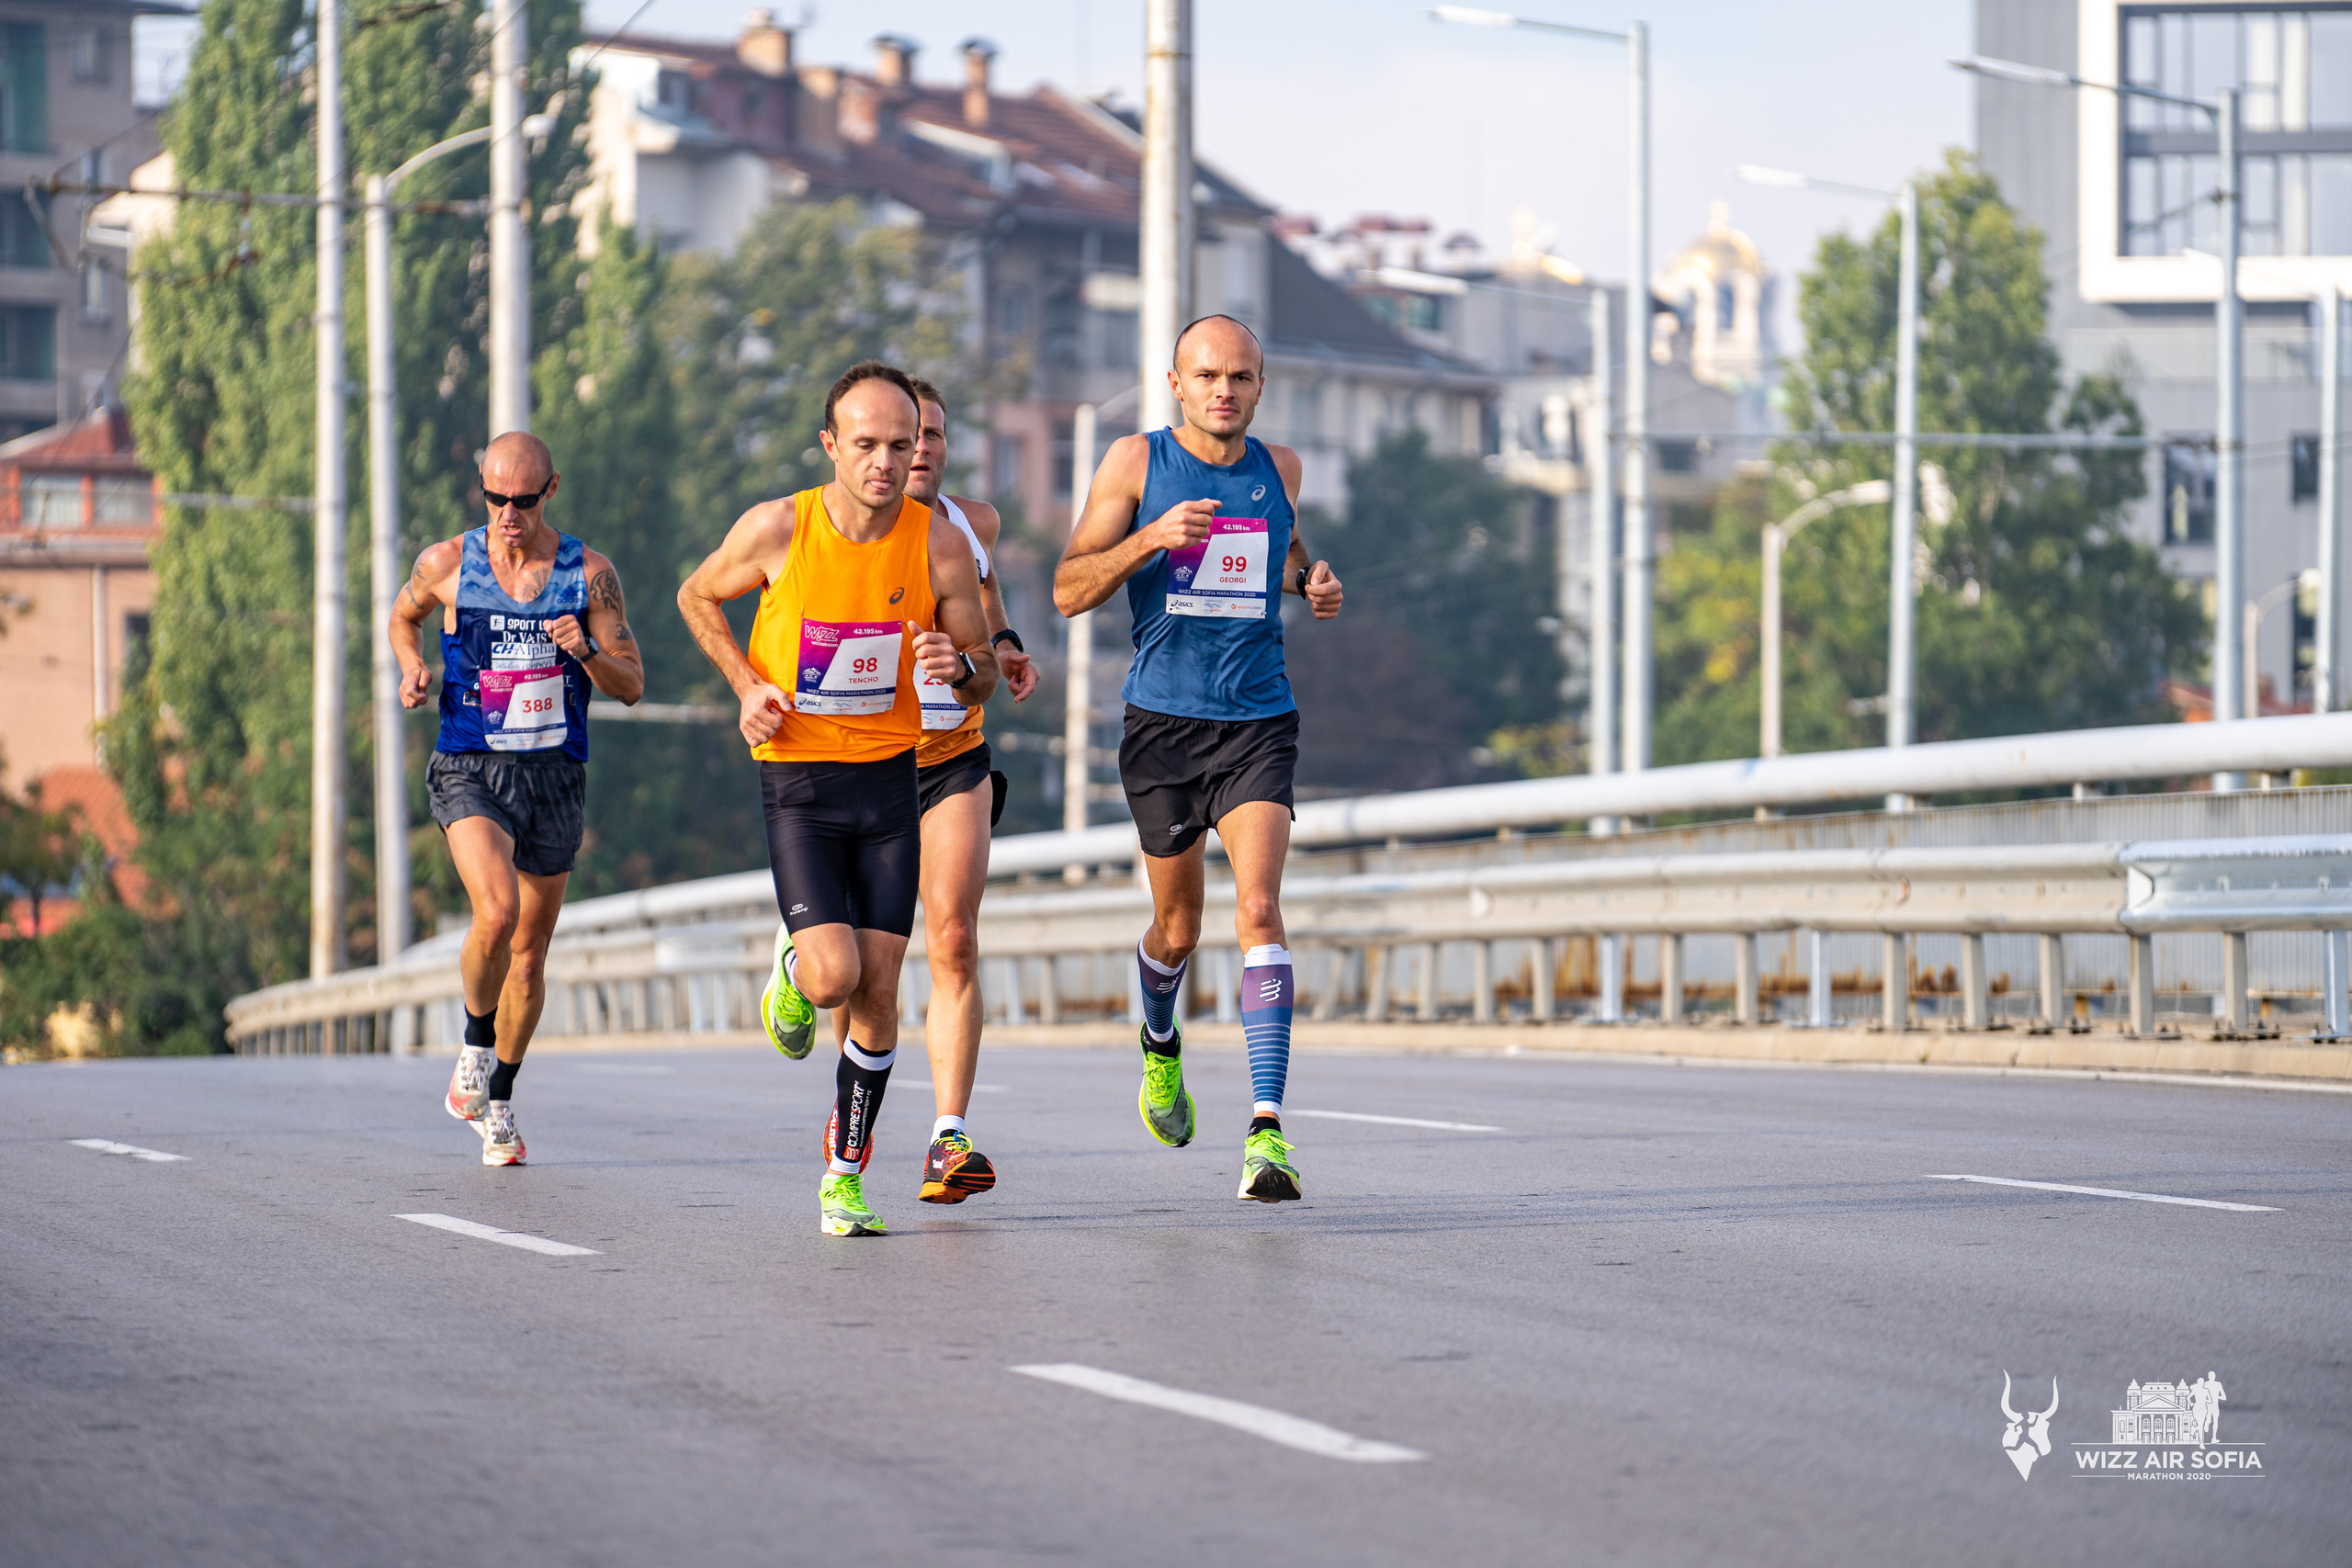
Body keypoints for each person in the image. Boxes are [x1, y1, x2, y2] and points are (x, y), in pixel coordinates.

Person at [676, 361, 997, 1237]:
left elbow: (984, 675)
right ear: (831, 445)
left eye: (902, 444)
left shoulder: (937, 543)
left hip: (891, 778)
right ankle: (793, 961)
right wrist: (744, 682)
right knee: (833, 978)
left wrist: (960, 670)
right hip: (803, 781)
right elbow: (695, 594)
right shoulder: (782, 526)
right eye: (866, 445)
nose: (886, 463)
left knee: (882, 988)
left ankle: (843, 1175)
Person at [1053, 314, 1342, 1203]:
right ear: (1175, 383)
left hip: (1258, 720)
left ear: (1260, 387)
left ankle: (1266, 1132)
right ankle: (1158, 1039)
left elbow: (1284, 557)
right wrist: (1148, 538)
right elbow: (1068, 590)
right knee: (1177, 930)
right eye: (1208, 376)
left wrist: (1315, 582)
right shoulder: (1133, 466)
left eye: (1242, 378)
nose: (1225, 391)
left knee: (1258, 906)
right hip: (1162, 727)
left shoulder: (1279, 470)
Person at [389, 431, 645, 1167]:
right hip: (471, 764)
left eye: (522, 500)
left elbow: (632, 686)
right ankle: (473, 1044)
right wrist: (412, 668)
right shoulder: (447, 562)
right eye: (495, 497)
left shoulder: (588, 575)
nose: (507, 514)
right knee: (495, 911)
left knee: (529, 957)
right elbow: (401, 616)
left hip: (554, 776)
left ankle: (498, 1097)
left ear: (550, 492)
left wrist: (587, 651)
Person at [826, 377, 1037, 1204]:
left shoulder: (972, 524)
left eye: (933, 434)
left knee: (951, 935)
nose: (919, 450)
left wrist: (1001, 649)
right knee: (857, 971)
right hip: (860, 761)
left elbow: (983, 603)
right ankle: (849, 1098)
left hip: (954, 755)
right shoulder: (842, 534)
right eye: (901, 437)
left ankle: (948, 1137)